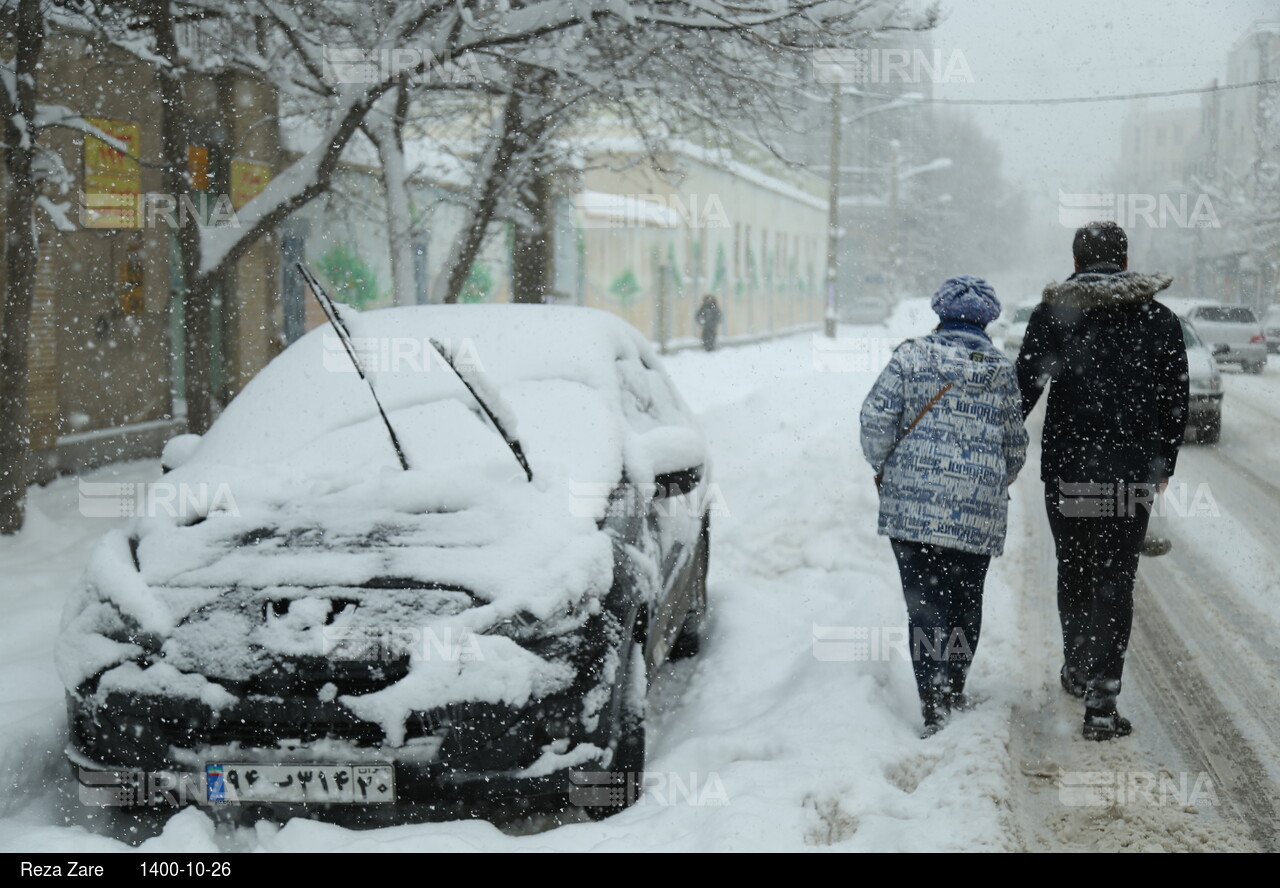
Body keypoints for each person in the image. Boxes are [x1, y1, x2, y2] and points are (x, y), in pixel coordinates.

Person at [1015, 221, 1188, 741]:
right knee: (1115, 584)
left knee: (1075, 571)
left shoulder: (1054, 315)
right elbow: (1175, 402)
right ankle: (1103, 705)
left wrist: (993, 442)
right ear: (1125, 259)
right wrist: (1162, 466)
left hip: (1068, 472)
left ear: (1076, 262)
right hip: (1128, 475)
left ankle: (1077, 667)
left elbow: (1025, 387)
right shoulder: (1160, 321)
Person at [861, 276, 1029, 737]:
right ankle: (952, 689)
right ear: (987, 319)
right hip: (975, 512)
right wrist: (990, 477)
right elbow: (1015, 446)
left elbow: (875, 420)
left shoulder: (911, 357)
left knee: (925, 606)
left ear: (940, 311)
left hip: (913, 509)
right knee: (965, 601)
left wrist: (887, 468)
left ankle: (932, 702)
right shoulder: (1000, 369)